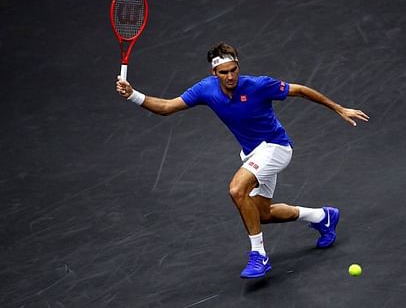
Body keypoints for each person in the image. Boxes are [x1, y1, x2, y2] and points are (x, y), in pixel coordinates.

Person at [115, 42, 369, 279]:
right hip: (252, 153)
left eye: (234, 70)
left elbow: (299, 90)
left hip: (275, 148)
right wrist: (133, 95)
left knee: (237, 190)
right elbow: (167, 107)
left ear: (238, 66)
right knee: (263, 214)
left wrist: (339, 108)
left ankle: (259, 255)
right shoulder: (205, 89)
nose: (230, 76)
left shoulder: (258, 85)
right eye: (224, 72)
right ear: (214, 72)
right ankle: (322, 217)